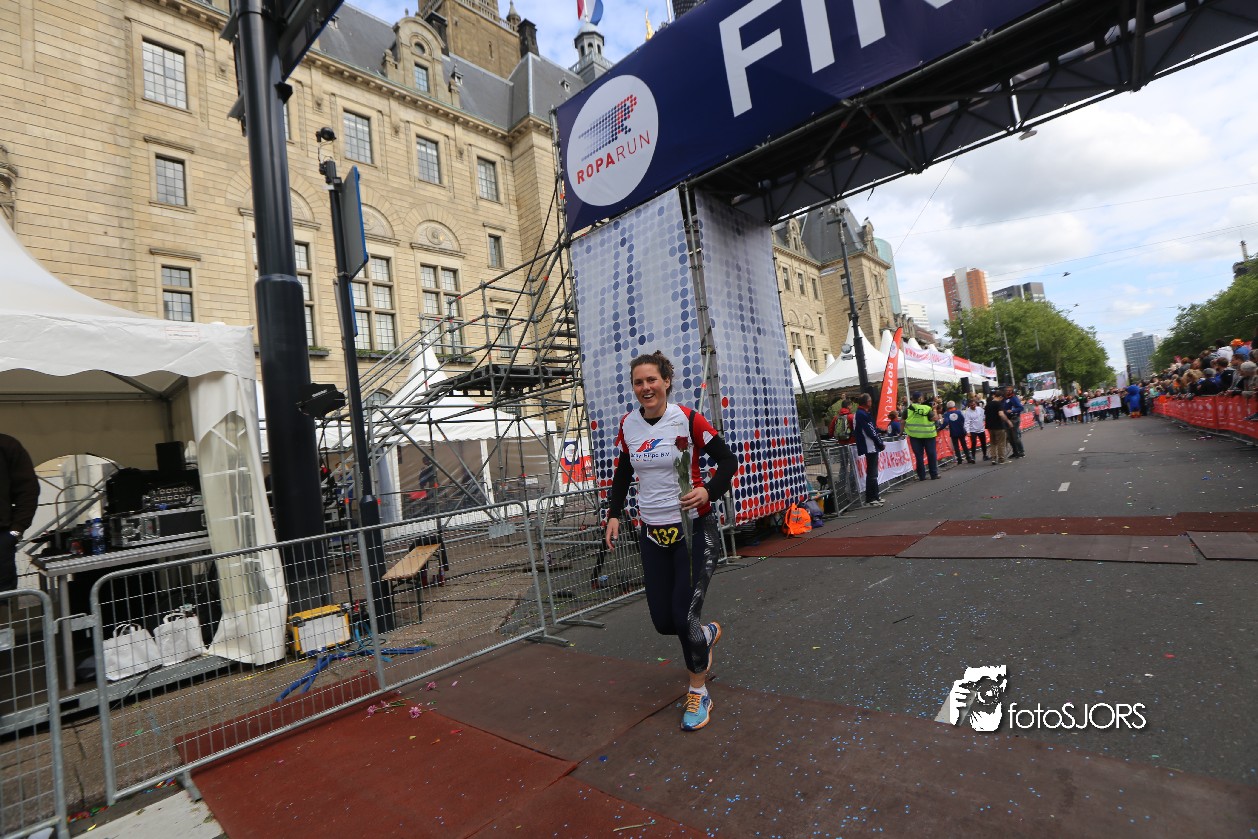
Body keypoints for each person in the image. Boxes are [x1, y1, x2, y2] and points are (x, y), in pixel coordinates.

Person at [604, 351, 738, 732]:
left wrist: (707, 491)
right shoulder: (629, 425)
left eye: (652, 380)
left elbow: (728, 462)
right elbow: (623, 472)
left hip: (693, 531)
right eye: (638, 382)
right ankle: (705, 635)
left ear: (666, 382)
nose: (645, 388)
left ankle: (698, 690)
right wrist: (613, 514)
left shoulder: (688, 419)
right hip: (652, 533)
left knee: (684, 616)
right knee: (664, 622)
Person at [1, 433, 40, 594]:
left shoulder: (6, 446)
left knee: (3, 597)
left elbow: (28, 491)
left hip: (1, 539)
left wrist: (15, 532)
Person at [853, 394, 885, 507]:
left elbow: (872, 429)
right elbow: (870, 431)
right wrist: (879, 443)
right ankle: (871, 498)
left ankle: (875, 496)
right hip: (869, 446)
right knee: (872, 472)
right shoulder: (862, 414)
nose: (871, 402)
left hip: (870, 445)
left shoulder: (862, 413)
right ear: (867, 402)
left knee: (873, 472)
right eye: (870, 401)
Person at [904, 392, 940, 480]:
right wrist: (934, 410)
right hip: (929, 435)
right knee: (931, 454)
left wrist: (901, 432)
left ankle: (922, 476)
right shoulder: (927, 408)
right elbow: (934, 418)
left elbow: (902, 421)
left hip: (914, 436)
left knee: (919, 456)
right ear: (920, 399)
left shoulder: (908, 410)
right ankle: (934, 474)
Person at [985, 392, 1012, 465]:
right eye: (1002, 398)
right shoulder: (998, 404)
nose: (1002, 400)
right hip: (999, 426)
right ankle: (1001, 459)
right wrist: (1008, 421)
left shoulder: (987, 405)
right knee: (1001, 443)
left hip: (990, 426)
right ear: (1000, 397)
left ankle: (993, 458)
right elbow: (1001, 414)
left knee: (993, 443)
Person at [942, 400, 971, 464]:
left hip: (953, 432)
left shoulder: (946, 414)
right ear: (954, 405)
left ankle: (959, 459)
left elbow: (945, 422)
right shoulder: (959, 412)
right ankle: (968, 457)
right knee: (964, 445)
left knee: (956, 446)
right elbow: (964, 420)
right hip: (961, 430)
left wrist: (940, 428)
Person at [1002, 387, 1025, 459]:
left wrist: (1013, 410)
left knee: (1015, 437)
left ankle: (1021, 452)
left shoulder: (1014, 398)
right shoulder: (1004, 399)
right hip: (1007, 419)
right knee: (1010, 438)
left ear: (1012, 391)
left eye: (1009, 390)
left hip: (1014, 419)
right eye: (1006, 390)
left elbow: (1021, 408)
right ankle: (1015, 452)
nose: (1007, 391)